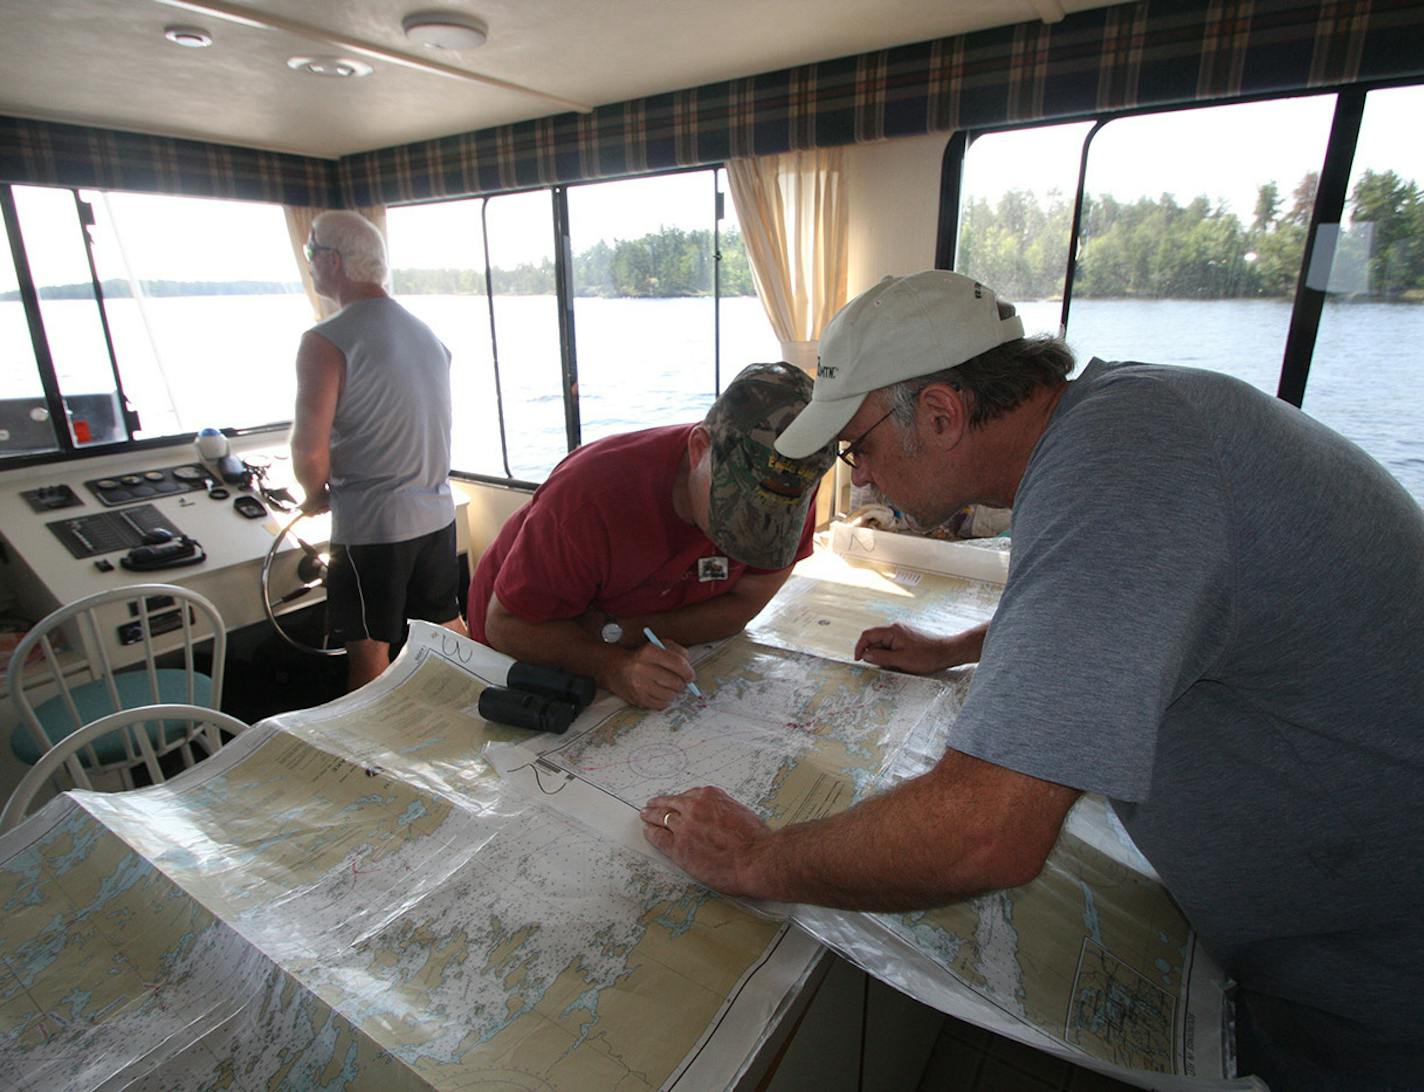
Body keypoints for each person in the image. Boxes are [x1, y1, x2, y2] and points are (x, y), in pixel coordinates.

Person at [639, 271, 1424, 1089]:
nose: (861, 480)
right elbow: (1146, 605)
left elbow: (988, 830)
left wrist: (755, 859)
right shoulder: (1126, 419)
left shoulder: (1125, 466)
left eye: (858, 448)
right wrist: (968, 646)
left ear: (941, 415)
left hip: (1379, 972)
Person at [469, 361, 836, 709]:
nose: (753, 530)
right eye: (738, 508)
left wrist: (621, 632)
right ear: (698, 449)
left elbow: (743, 604)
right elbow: (507, 626)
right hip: (516, 643)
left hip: (614, 635)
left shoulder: (788, 485)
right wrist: (612, 667)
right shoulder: (592, 497)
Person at [289, 210, 468, 691]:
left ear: (332, 261)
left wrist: (312, 493)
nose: (308, 265)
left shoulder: (325, 340)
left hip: (374, 526)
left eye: (310, 254)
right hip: (436, 513)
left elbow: (309, 452)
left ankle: (371, 765)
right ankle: (481, 714)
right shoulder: (427, 335)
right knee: (448, 632)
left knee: (370, 654)